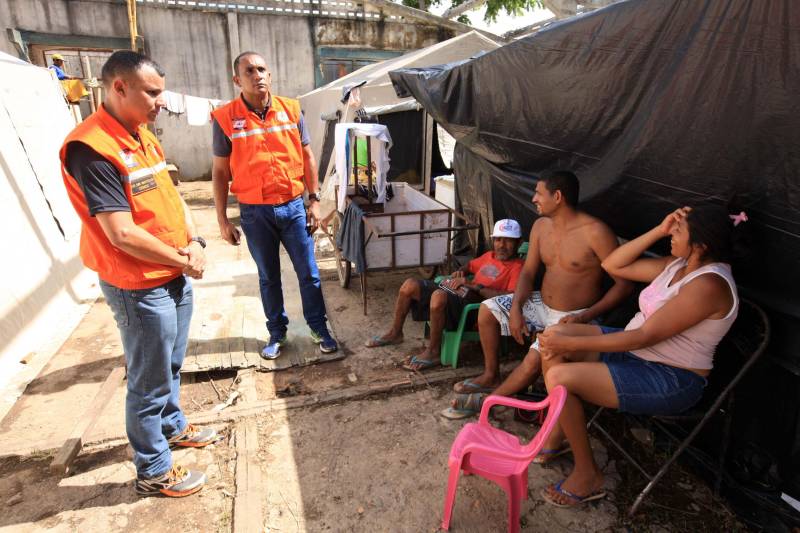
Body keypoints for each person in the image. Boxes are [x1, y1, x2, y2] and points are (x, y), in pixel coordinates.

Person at [60, 51, 216, 497]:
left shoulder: (140, 134)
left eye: (161, 92)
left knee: (169, 364)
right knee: (147, 382)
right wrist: (184, 259)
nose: (160, 102)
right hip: (139, 285)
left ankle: (171, 428)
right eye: (152, 93)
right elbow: (122, 233)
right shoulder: (92, 148)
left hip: (171, 271)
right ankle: (153, 470)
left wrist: (195, 241)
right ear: (119, 88)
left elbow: (171, 195)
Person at [531, 205, 740, 507]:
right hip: (634, 354)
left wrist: (574, 348)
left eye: (677, 231)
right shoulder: (675, 265)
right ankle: (559, 434)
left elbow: (645, 336)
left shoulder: (709, 284)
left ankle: (588, 473)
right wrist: (658, 228)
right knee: (554, 336)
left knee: (560, 374)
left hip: (670, 377)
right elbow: (613, 265)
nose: (670, 235)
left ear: (701, 244)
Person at [449, 170, 632, 399]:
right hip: (540, 304)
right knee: (487, 310)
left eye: (538, 193)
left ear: (557, 197)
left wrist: (584, 317)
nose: (534, 199)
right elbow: (528, 272)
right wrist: (516, 308)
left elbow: (624, 285)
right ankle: (491, 374)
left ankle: (492, 401)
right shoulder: (541, 227)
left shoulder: (595, 232)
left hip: (574, 315)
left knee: (534, 358)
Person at [211, 51, 337, 359]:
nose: (258, 75)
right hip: (255, 213)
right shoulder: (225, 118)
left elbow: (308, 157)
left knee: (309, 273)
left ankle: (319, 329)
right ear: (237, 80)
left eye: (262, 69)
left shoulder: (291, 110)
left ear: (270, 74)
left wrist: (314, 199)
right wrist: (222, 220)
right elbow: (219, 171)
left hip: (294, 207)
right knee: (269, 276)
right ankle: (277, 334)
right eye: (250, 71)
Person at [365, 219, 525, 371]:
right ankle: (395, 333)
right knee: (410, 286)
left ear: (518, 243)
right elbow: (469, 265)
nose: (502, 245)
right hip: (460, 292)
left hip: (476, 308)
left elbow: (510, 296)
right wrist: (460, 272)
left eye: (508, 241)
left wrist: (474, 286)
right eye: (498, 240)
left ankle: (434, 352)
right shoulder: (489, 256)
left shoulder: (518, 267)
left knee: (438, 296)